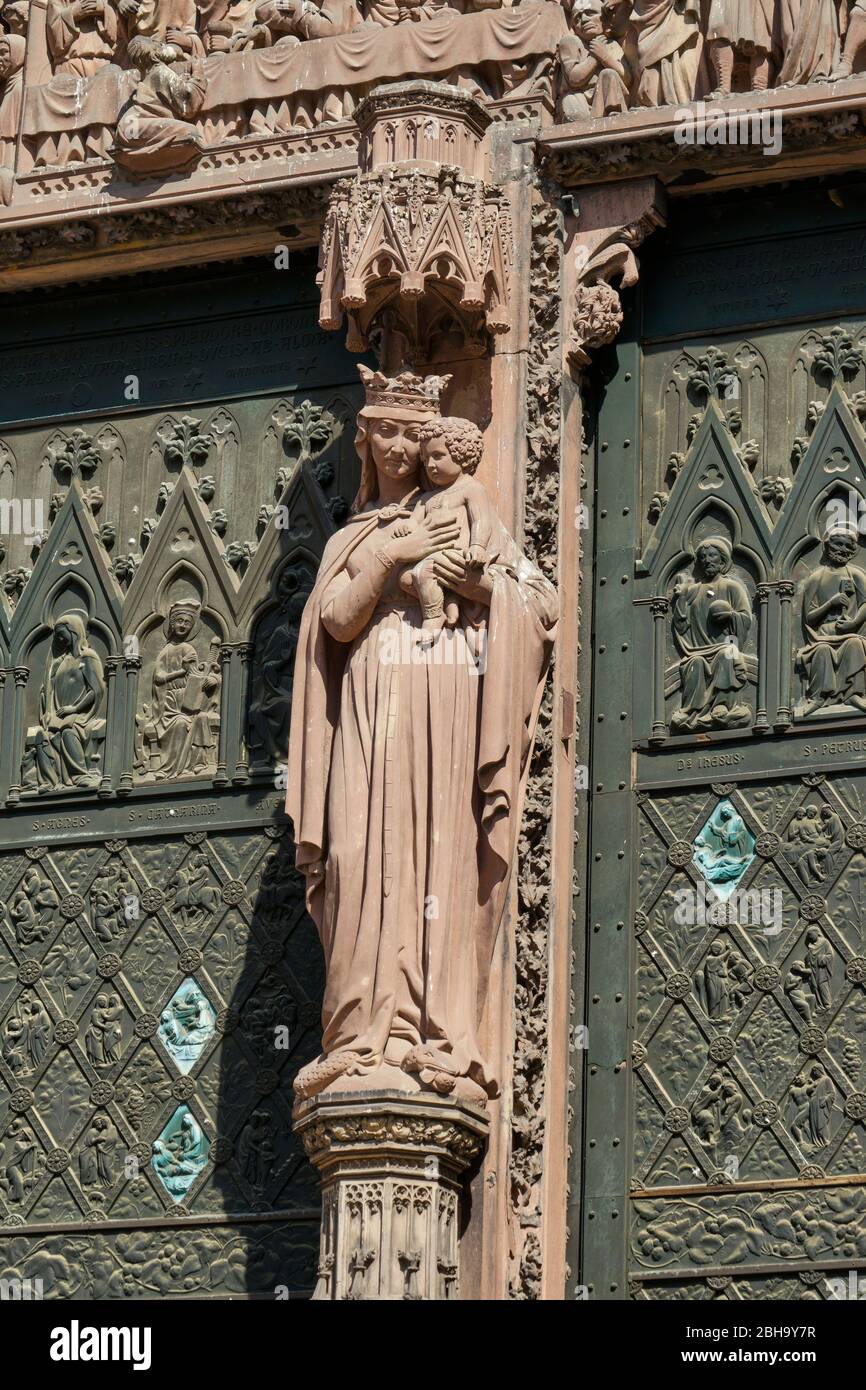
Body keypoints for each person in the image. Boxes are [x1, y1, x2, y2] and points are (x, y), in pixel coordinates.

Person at [287, 366, 557, 1102]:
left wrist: (467, 579)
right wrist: (388, 556)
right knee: (353, 851)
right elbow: (337, 620)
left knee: (436, 851)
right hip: (371, 701)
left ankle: (434, 1033)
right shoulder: (358, 535)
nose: (403, 449)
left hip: (445, 701)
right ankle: (357, 1033)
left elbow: (538, 600)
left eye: (414, 434)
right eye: (387, 434)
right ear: (364, 441)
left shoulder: (469, 511)